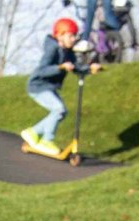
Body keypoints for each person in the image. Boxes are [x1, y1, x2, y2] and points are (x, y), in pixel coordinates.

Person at [22, 17, 98, 157]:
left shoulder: (68, 52)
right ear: (60, 35)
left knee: (62, 112)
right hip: (37, 85)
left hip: (48, 87)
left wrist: (89, 68)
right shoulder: (52, 49)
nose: (73, 39)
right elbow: (41, 70)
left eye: (74, 35)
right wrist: (59, 67)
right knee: (59, 109)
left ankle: (33, 132)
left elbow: (76, 67)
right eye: (70, 35)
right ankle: (46, 140)